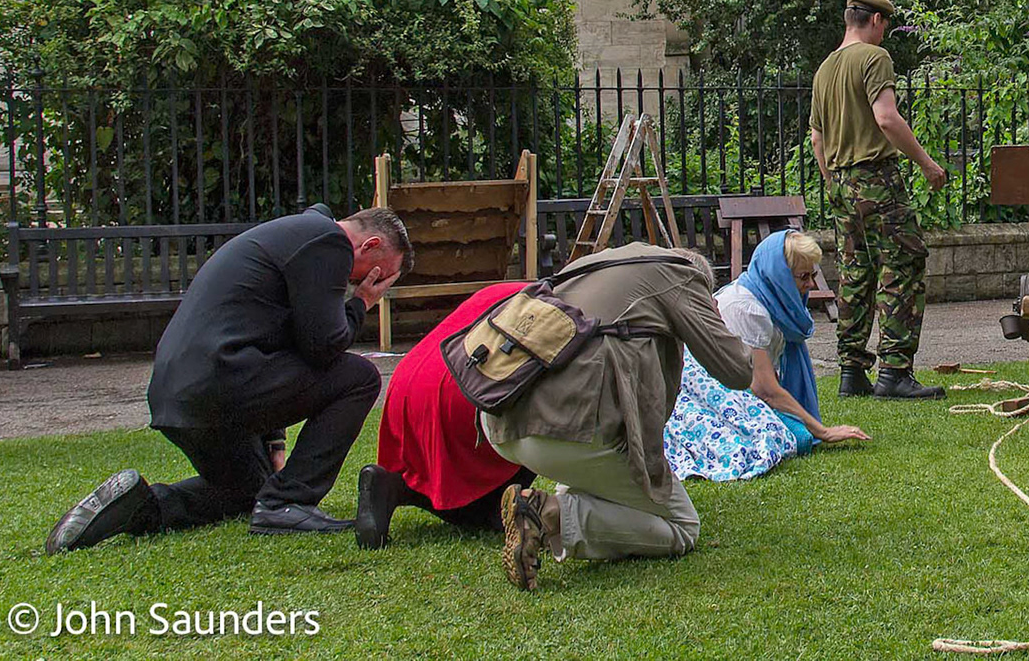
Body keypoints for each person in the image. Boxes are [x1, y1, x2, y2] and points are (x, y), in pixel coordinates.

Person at [46, 205, 413, 552]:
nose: (366, 280)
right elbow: (323, 345)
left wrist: (274, 445)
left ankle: (139, 505)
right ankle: (289, 504)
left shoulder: (297, 238)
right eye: (377, 272)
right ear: (371, 244)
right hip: (221, 382)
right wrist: (362, 300)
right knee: (359, 376)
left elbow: (279, 344)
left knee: (247, 494)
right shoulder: (328, 242)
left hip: (180, 397)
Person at [490, 242, 753, 591]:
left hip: (502, 422)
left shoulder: (597, 263)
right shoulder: (680, 276)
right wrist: (712, 319)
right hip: (569, 431)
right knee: (682, 527)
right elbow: (738, 371)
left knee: (601, 475)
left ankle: (550, 508)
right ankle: (548, 513)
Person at [810, 0, 950, 401]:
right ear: (874, 21)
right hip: (876, 179)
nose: (885, 31)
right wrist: (927, 164)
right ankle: (894, 373)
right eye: (885, 24)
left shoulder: (825, 69)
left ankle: (851, 373)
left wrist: (833, 181)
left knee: (855, 274)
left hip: (840, 182)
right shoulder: (875, 58)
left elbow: (817, 137)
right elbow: (886, 117)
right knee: (903, 266)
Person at [665, 230, 870, 481]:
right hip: (706, 394)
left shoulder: (769, 296)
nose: (811, 284)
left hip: (736, 391)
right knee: (796, 438)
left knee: (794, 435)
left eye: (813, 274)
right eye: (803, 276)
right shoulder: (748, 309)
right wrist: (823, 431)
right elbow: (764, 389)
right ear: (780, 277)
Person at [354, 281, 535, 549]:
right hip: (467, 389)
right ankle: (489, 510)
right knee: (490, 511)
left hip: (406, 382)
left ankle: (391, 486)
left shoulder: (513, 289)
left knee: (431, 474)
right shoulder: (565, 310)